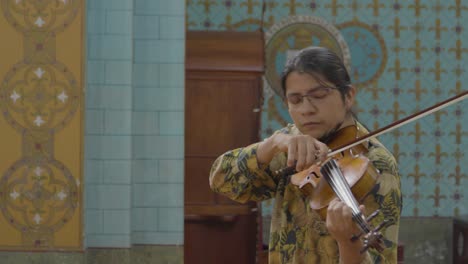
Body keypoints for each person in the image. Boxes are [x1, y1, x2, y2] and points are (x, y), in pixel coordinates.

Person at [209, 46, 402, 264]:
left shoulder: (376, 165)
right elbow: (221, 181)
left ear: (348, 96)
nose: (306, 109)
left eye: (318, 95)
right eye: (295, 100)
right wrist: (272, 144)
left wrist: (348, 243)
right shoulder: (290, 144)